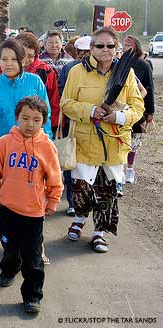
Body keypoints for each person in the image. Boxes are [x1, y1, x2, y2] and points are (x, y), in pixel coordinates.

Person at [62, 27, 144, 253]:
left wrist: (118, 116)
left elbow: (138, 107)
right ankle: (79, 219)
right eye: (100, 46)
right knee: (80, 188)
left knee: (106, 190)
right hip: (85, 143)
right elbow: (66, 104)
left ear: (116, 47)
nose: (105, 50)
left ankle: (99, 232)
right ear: (91, 48)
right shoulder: (76, 72)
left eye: (110, 46)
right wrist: (90, 111)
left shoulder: (126, 73)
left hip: (113, 143)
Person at [0, 96, 63, 314]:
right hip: (9, 209)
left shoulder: (47, 147)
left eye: (36, 120)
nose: (30, 124)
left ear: (43, 121)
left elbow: (54, 177)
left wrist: (53, 200)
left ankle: (32, 295)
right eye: (25, 118)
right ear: (17, 118)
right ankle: (9, 270)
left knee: (33, 257)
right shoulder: (4, 142)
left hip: (34, 213)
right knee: (10, 249)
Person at [0, 38, 53, 139]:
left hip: (33, 144)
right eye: (4, 59)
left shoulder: (35, 81)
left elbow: (46, 115)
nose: (8, 64)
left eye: (14, 59)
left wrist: (47, 141)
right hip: (5, 145)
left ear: (23, 61)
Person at [57, 35, 92, 215]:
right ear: (76, 53)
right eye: (82, 52)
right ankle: (72, 202)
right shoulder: (70, 69)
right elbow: (64, 95)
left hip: (94, 126)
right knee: (71, 163)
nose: (86, 55)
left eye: (89, 51)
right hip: (73, 125)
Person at [122, 35, 155, 184]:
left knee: (134, 141)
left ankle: (130, 169)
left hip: (137, 109)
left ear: (135, 46)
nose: (124, 47)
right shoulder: (119, 62)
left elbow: (149, 88)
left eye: (128, 45)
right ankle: (119, 169)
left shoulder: (144, 65)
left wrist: (150, 112)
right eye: (123, 44)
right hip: (120, 109)